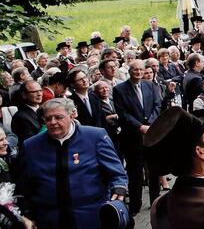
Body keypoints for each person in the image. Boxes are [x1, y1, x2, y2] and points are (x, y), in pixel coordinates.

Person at [16, 97, 128, 228]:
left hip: (90, 216)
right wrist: (27, 214)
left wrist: (119, 187)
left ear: (71, 115)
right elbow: (24, 184)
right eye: (48, 119)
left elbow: (116, 171)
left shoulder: (95, 137)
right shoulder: (31, 146)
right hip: (50, 219)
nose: (53, 122)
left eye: (59, 117)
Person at [112, 58, 163, 214]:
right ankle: (135, 204)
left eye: (141, 69)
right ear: (130, 71)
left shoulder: (150, 85)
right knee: (135, 174)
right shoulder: (120, 89)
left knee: (154, 170)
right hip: (132, 137)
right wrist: (140, 126)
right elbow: (123, 113)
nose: (139, 73)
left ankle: (156, 203)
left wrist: (151, 125)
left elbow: (157, 105)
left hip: (151, 135)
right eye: (136, 70)